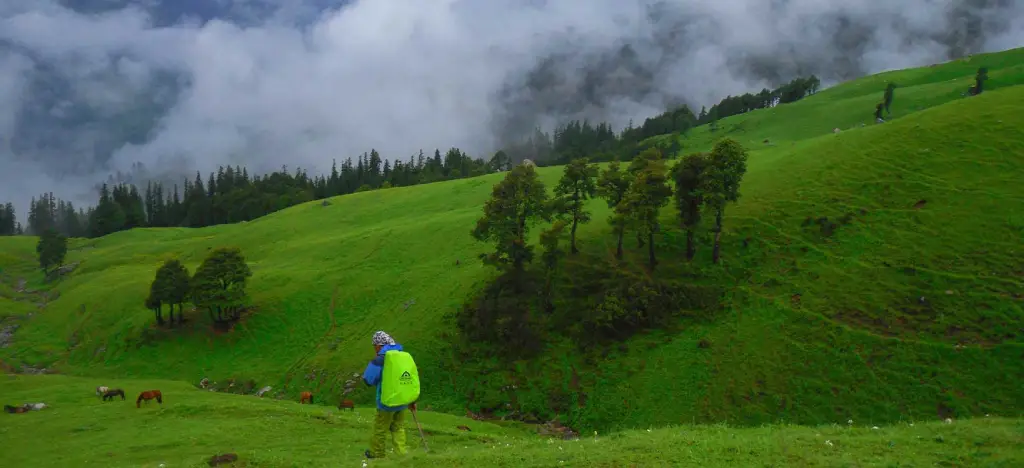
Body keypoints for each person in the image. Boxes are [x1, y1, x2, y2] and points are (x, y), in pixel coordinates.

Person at [361, 330, 416, 459]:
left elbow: (368, 380)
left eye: (374, 346)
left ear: (379, 345)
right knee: (398, 428)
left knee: (380, 429)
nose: (374, 349)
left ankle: (377, 454)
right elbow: (409, 379)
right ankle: (401, 454)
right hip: (402, 401)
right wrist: (412, 400)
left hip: (386, 402)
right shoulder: (403, 355)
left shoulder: (381, 358)